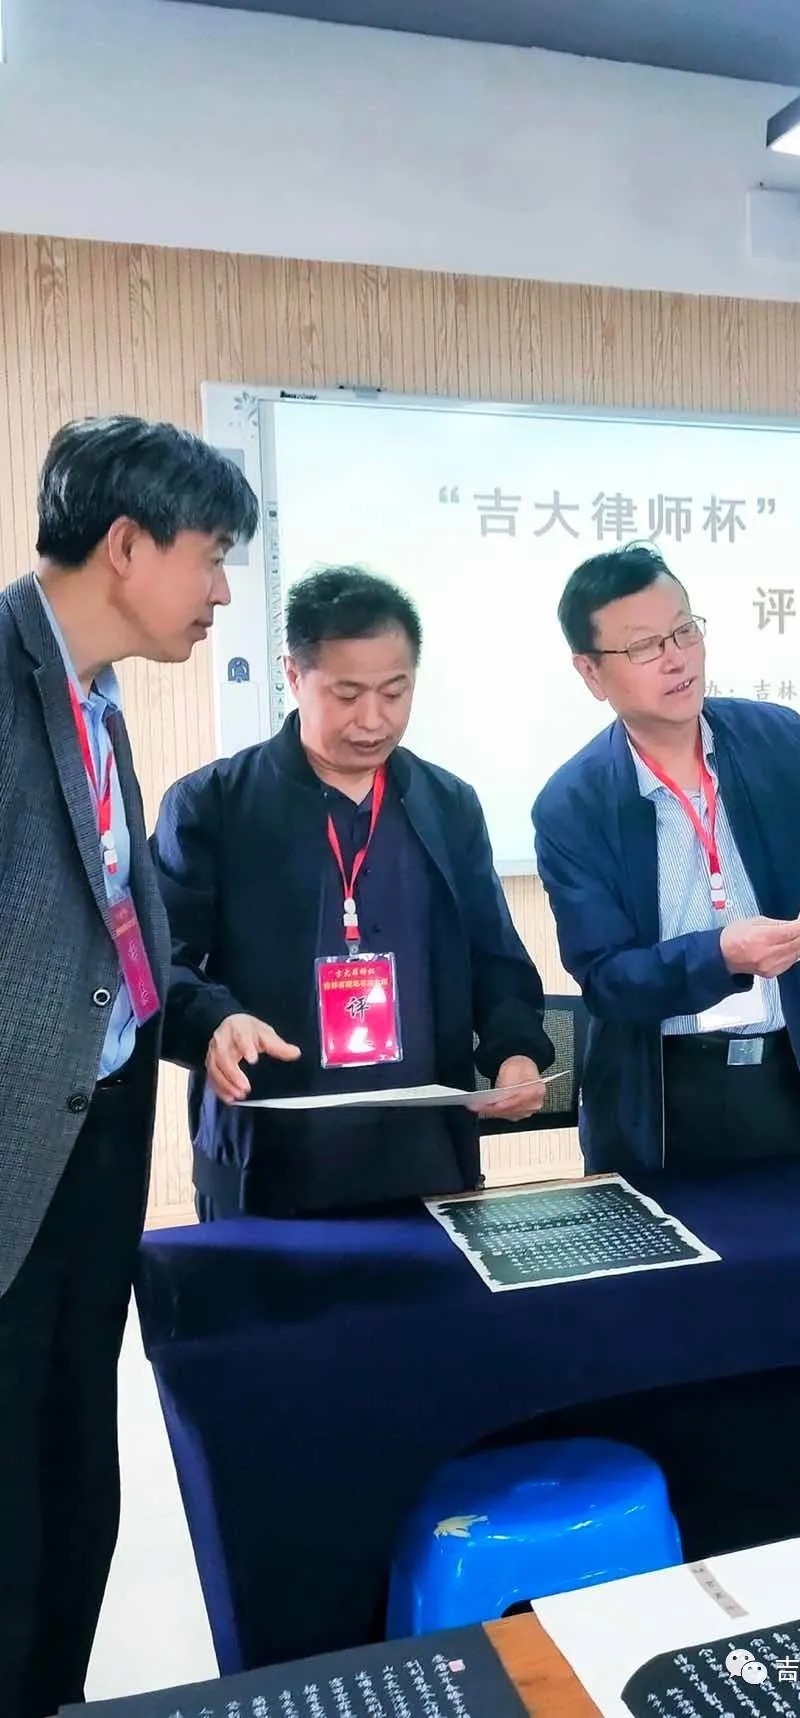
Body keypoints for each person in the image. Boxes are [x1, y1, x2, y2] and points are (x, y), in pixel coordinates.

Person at [0, 415, 258, 1718]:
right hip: (12, 1147)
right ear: (124, 544)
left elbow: (110, 922)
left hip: (96, 1129)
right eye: (210, 556)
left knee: (70, 1467)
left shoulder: (95, 696)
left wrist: (196, 1016)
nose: (221, 591)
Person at [532, 543, 800, 1180]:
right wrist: (721, 955)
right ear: (591, 673)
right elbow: (608, 980)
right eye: (645, 646)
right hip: (658, 1098)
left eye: (685, 630)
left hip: (790, 1075)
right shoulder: (573, 804)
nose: (677, 657)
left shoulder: (778, 740)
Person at [153, 564, 553, 1219]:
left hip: (426, 1158)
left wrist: (515, 1053)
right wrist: (212, 1022)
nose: (373, 719)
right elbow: (156, 961)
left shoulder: (448, 804)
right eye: (347, 694)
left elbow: (494, 958)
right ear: (293, 676)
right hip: (268, 1158)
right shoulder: (213, 806)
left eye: (395, 692)